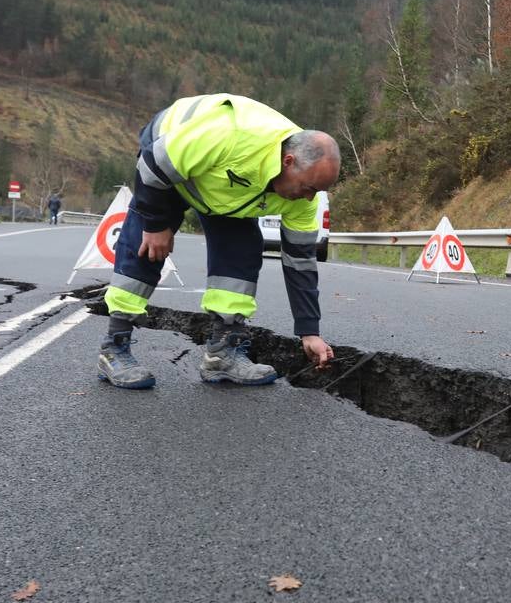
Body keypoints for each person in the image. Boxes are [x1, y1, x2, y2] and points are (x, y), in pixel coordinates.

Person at [98, 93, 341, 389]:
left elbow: (301, 263)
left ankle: (221, 355)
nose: (308, 198)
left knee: (241, 250)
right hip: (171, 158)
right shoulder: (230, 137)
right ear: (289, 161)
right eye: (307, 188)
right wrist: (156, 224)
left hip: (226, 190)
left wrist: (309, 332)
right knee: (146, 246)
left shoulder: (305, 200)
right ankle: (114, 348)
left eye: (316, 192)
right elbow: (153, 164)